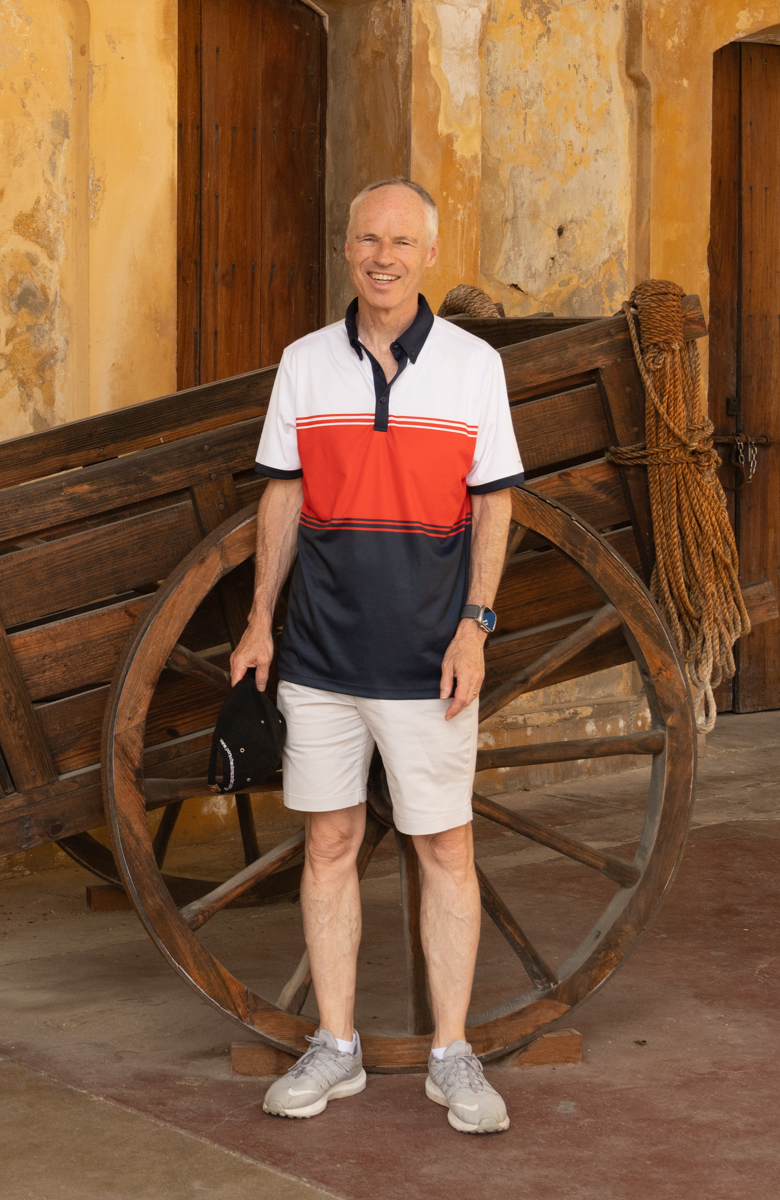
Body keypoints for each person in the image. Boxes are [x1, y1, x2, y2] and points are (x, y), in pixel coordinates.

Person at [232, 178, 523, 1134]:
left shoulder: (475, 367)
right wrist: (260, 623)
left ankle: (453, 1055)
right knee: (328, 844)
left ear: (429, 253)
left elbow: (493, 502)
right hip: (317, 657)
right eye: (367, 239)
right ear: (348, 250)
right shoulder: (305, 364)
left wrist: (476, 625)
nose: (383, 256)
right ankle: (338, 1047)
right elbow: (281, 498)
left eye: (402, 241)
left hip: (428, 661)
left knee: (445, 847)